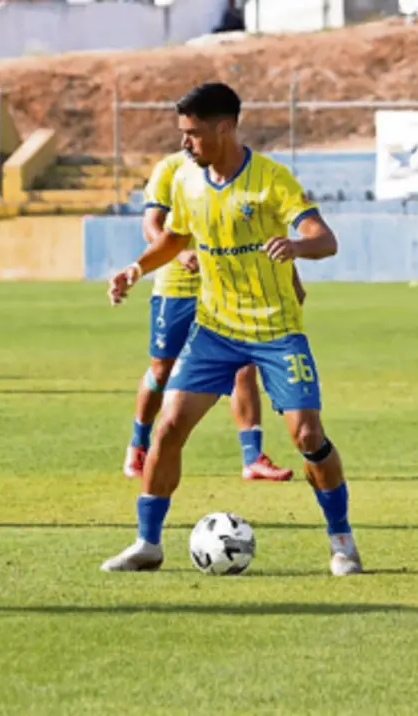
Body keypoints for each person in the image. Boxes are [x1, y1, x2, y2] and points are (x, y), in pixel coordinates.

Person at [103, 82, 362, 576]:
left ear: (224, 128)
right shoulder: (187, 180)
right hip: (215, 328)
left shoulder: (271, 180)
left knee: (308, 436)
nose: (185, 144)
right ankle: (147, 543)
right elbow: (175, 237)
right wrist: (135, 270)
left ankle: (342, 542)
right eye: (183, 133)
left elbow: (324, 238)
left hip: (276, 329)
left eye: (193, 134)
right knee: (170, 426)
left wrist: (296, 247)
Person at [125, 150, 301, 483]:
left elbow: (261, 235)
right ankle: (138, 445)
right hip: (178, 286)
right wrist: (179, 255)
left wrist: (293, 278)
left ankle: (253, 457)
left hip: (228, 289)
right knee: (162, 371)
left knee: (242, 365)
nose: (189, 140)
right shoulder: (170, 168)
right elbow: (153, 226)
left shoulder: (244, 172)